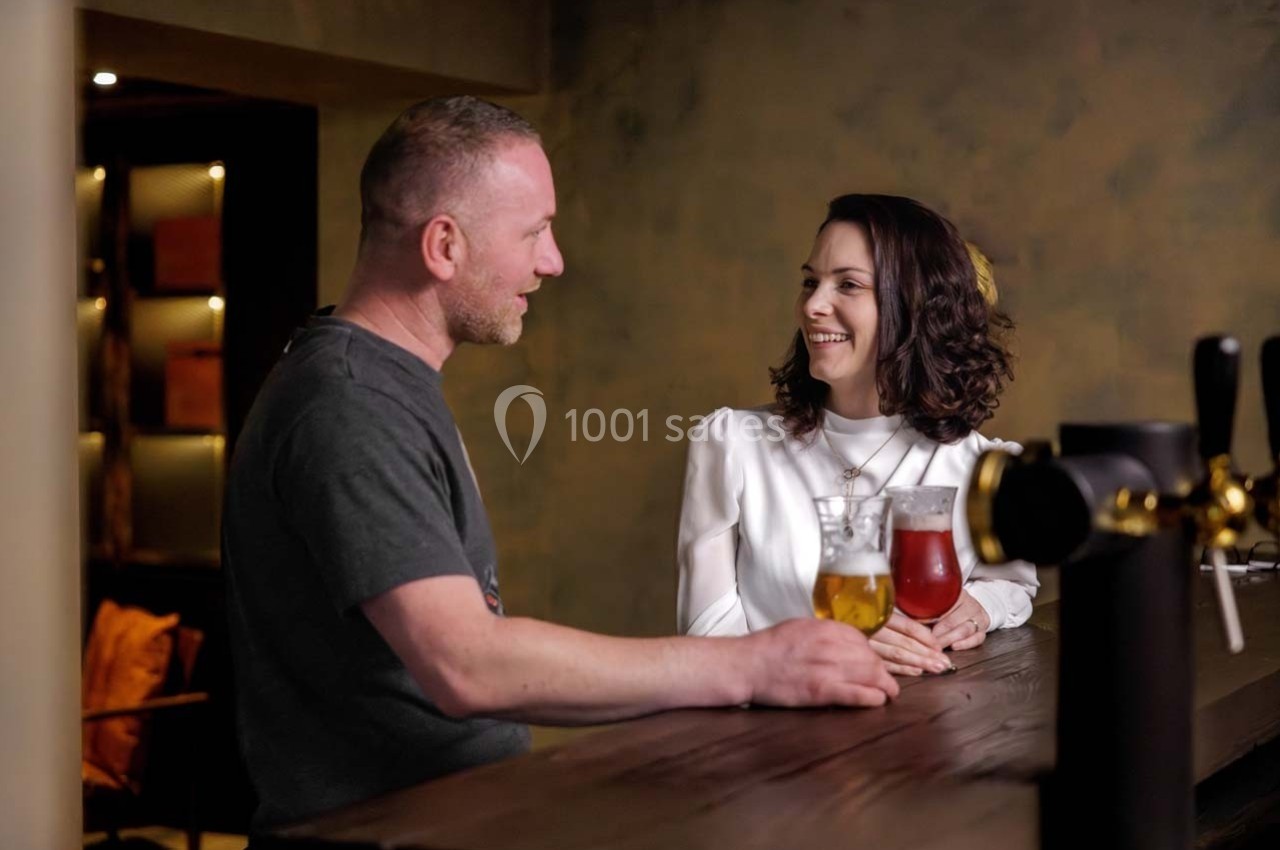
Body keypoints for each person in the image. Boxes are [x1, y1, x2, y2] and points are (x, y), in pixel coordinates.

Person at [222, 97, 899, 832]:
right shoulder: (350, 405)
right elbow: (467, 666)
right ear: (444, 246)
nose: (553, 260)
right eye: (535, 231)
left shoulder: (379, 385)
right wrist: (753, 665)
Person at [676, 194, 1037, 677]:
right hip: (772, 739)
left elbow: (1015, 585)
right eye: (810, 282)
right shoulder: (732, 444)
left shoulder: (981, 468)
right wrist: (828, 645)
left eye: (847, 284)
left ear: (915, 307)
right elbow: (706, 635)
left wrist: (983, 604)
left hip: (928, 736)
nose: (812, 305)